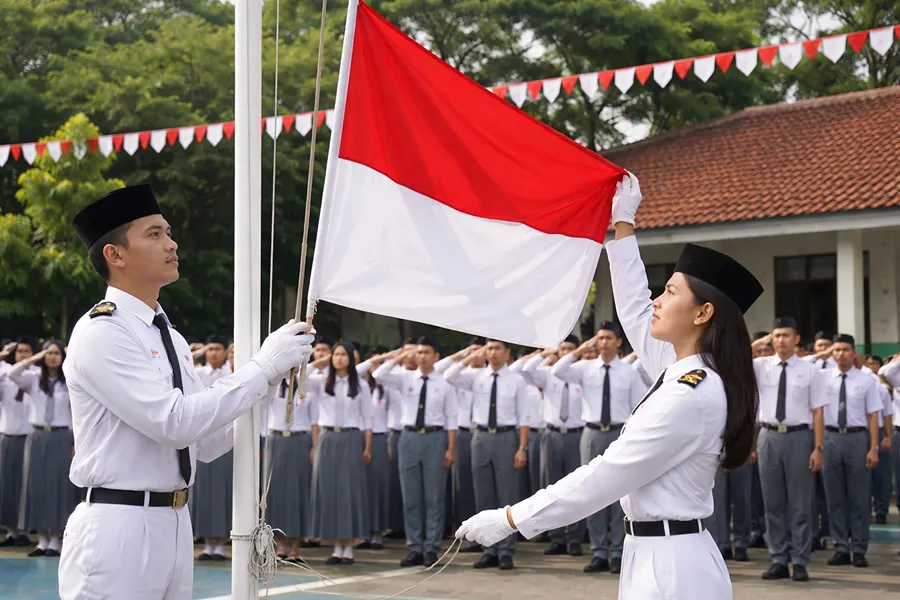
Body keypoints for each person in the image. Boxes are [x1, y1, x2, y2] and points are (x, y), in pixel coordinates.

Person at [456, 173, 763, 600]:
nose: (658, 299)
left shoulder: (691, 392)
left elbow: (606, 475)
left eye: (670, 292)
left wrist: (512, 519)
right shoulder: (684, 367)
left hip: (673, 567)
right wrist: (623, 224)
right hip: (654, 551)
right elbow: (636, 306)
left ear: (702, 313)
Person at [57, 183, 314, 600]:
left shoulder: (170, 337)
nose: (171, 243)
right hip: (118, 525)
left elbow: (207, 443)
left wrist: (267, 384)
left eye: (169, 233)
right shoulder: (101, 332)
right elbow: (173, 423)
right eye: (154, 234)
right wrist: (260, 367)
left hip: (175, 524)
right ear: (115, 254)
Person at [750, 317, 825, 581]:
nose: (780, 340)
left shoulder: (810, 370)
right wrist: (760, 342)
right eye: (776, 335)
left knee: (801, 503)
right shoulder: (760, 365)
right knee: (773, 503)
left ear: (796, 338)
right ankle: (778, 558)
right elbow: (736, 355)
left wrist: (818, 447)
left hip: (799, 438)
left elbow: (818, 412)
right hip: (768, 436)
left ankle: (801, 560)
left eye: (785, 335)